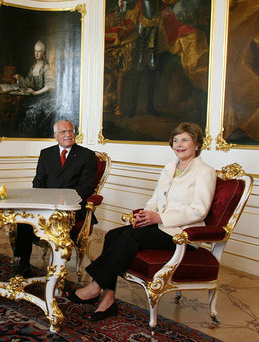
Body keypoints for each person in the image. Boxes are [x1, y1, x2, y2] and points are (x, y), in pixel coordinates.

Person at [65, 122, 216, 321]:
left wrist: (160, 217)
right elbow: (155, 198)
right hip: (160, 225)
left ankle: (95, 287)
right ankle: (108, 299)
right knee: (113, 235)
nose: (179, 144)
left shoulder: (205, 172)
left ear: (197, 144)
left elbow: (199, 211)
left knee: (130, 237)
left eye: (185, 140)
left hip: (182, 233)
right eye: (176, 140)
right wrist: (146, 215)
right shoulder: (170, 167)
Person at [13, 119, 97, 276]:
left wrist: (61, 200)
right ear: (55, 136)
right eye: (63, 132)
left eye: (71, 131)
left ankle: (58, 270)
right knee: (23, 220)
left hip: (71, 208)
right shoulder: (46, 153)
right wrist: (45, 200)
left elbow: (85, 188)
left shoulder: (86, 155)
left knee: (60, 227)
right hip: (45, 204)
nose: (68, 134)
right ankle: (22, 263)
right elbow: (38, 181)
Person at [14, 40, 57, 137]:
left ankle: (30, 137)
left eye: (39, 51)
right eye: (35, 51)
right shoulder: (33, 67)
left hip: (44, 99)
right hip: (34, 97)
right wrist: (20, 78)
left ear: (44, 53)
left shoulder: (46, 67)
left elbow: (49, 86)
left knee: (30, 113)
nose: (37, 54)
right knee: (20, 109)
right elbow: (30, 83)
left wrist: (36, 93)